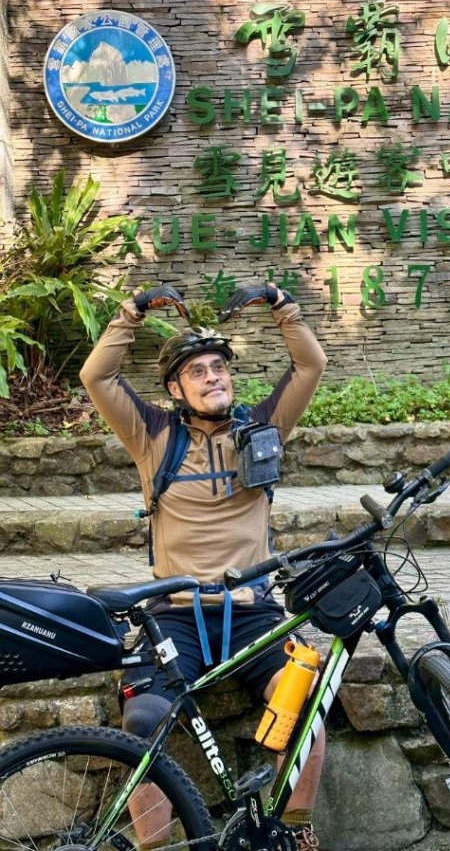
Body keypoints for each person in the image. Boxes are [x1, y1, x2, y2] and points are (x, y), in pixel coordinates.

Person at [80, 281, 328, 851]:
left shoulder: (263, 427)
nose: (213, 377)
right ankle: (158, 847)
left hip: (253, 614)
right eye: (198, 371)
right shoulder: (153, 436)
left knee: (305, 704)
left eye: (219, 367)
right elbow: (97, 377)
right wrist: (132, 311)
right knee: (142, 725)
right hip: (174, 616)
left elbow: (310, 365)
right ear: (175, 388)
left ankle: (294, 830)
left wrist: (281, 304)